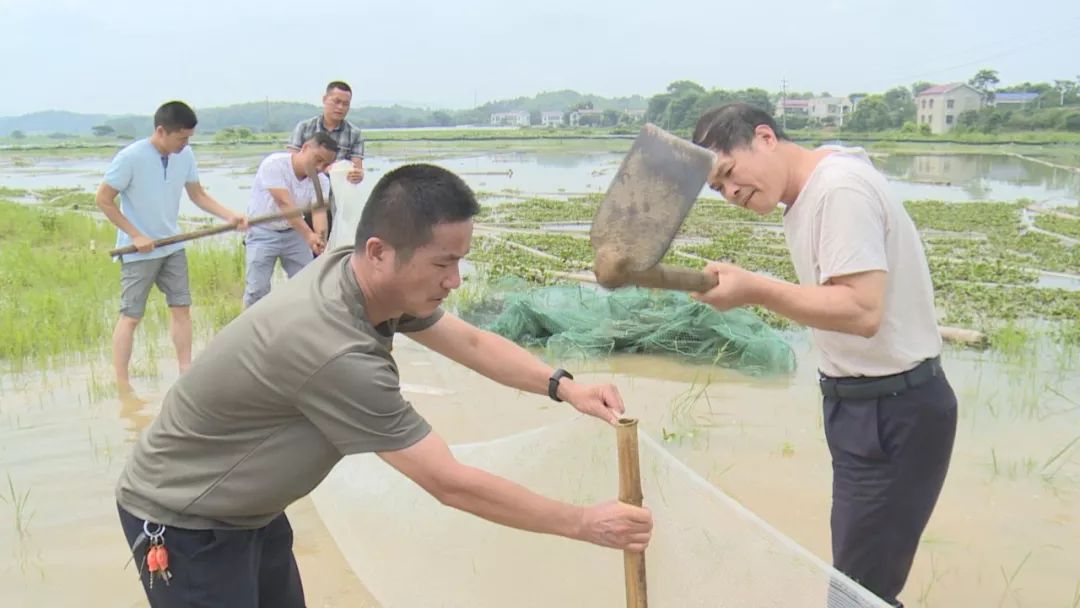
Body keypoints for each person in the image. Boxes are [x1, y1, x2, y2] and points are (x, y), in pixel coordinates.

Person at [115, 163, 652, 607]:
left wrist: (562, 385)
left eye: (460, 261)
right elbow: (449, 482)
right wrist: (583, 522)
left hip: (251, 512)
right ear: (378, 251)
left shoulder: (361, 279)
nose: (455, 280)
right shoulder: (335, 349)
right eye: (442, 263)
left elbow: (466, 341)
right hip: (184, 522)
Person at [689, 103, 956, 608]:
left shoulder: (838, 189)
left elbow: (860, 309)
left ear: (764, 137)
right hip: (863, 405)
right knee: (860, 585)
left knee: (857, 596)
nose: (730, 193)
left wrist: (754, 289)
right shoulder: (815, 188)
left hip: (893, 410)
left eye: (728, 173)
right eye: (718, 189)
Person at [96, 101, 246, 399]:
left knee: (181, 308)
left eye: (189, 138)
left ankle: (185, 373)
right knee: (131, 316)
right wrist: (136, 235)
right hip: (138, 252)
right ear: (161, 131)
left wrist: (229, 215)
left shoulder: (185, 155)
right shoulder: (130, 158)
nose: (185, 144)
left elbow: (198, 194)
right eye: (181, 138)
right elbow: (103, 200)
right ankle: (122, 384)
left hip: (172, 245)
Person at [243, 132, 337, 308]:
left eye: (325, 164)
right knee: (257, 290)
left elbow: (318, 212)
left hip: (294, 234)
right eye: (317, 160)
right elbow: (285, 205)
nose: (319, 167)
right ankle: (248, 332)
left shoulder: (322, 181)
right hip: (262, 231)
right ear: (305, 148)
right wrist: (309, 236)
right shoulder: (275, 165)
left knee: (307, 286)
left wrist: (320, 239)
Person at [288, 80, 366, 243]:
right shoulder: (305, 128)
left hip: (337, 202)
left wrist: (356, 175)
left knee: (336, 246)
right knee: (307, 247)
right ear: (325, 99)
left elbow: (358, 169)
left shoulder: (355, 133)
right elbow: (292, 164)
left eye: (346, 104)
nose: (340, 107)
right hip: (306, 200)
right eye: (336, 101)